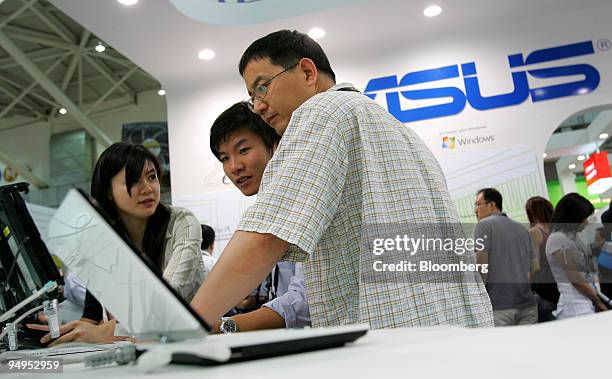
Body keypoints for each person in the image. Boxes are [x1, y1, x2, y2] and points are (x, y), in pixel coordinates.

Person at [191, 30, 493, 329]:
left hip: (392, 340)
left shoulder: (321, 112)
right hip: (458, 328)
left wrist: (187, 323)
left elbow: (265, 237)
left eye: (262, 88)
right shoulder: (398, 129)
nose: (257, 105)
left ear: (308, 72)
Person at [29, 142, 205, 345]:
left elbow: (166, 308)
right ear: (108, 191)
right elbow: (94, 316)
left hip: (192, 347)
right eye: (134, 181)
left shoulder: (181, 223)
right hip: (138, 353)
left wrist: (104, 332)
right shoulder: (100, 242)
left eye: (151, 176)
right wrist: (70, 332)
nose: (148, 188)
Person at [208, 101, 310, 332]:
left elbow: (306, 301)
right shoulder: (267, 209)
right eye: (224, 158)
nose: (234, 166)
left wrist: (224, 327)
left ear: (274, 146)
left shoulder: (301, 201)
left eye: (243, 150)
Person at [474, 189, 538, 326]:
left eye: (478, 204)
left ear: (492, 205)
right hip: (528, 304)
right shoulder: (522, 228)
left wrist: (479, 296)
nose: (475, 210)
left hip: (500, 307)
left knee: (504, 347)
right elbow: (535, 266)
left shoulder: (483, 226)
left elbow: (482, 267)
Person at [546, 193, 607, 319]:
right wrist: (597, 300)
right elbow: (575, 278)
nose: (586, 222)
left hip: (585, 300)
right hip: (576, 306)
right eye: (583, 218)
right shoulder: (558, 239)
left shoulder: (573, 237)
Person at [525, 196, 559, 322]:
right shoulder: (557, 230)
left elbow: (534, 266)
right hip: (561, 286)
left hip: (545, 291)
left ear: (530, 212)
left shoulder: (535, 232)